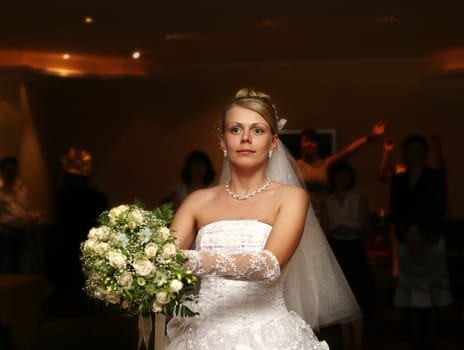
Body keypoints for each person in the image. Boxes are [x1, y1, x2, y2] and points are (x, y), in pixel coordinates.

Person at [166, 88, 360, 349]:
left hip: (268, 335)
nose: (246, 138)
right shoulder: (197, 201)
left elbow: (269, 265)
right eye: (235, 129)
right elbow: (163, 259)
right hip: (202, 336)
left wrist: (194, 259)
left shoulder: (291, 198)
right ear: (222, 141)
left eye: (257, 130)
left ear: (273, 143)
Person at [389, 134, 452, 350]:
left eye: (417, 150)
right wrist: (407, 234)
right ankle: (415, 341)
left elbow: (440, 210)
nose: (413, 154)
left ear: (425, 153)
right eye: (409, 150)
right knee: (413, 295)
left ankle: (431, 341)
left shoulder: (435, 177)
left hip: (431, 241)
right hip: (407, 240)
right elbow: (395, 210)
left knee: (432, 296)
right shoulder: (399, 179)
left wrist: (424, 235)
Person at [320, 161, 374, 350]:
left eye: (345, 176)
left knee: (357, 296)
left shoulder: (358, 198)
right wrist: (335, 230)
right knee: (341, 297)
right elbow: (324, 229)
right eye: (338, 176)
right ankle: (347, 342)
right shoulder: (328, 200)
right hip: (337, 249)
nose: (341, 180)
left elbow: (368, 228)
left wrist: (350, 228)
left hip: (354, 248)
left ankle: (358, 343)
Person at [297, 122, 386, 216]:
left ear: (318, 145)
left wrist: (371, 136)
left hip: (324, 214)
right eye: (306, 141)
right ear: (300, 144)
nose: (309, 144)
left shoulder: (325, 164)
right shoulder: (294, 164)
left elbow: (349, 150)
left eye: (313, 141)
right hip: (301, 214)